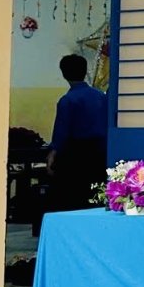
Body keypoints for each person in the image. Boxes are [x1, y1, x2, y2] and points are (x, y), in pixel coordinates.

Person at [47, 54, 108, 213]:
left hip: (75, 154)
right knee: (95, 194)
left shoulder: (67, 100)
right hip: (100, 152)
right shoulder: (101, 97)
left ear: (63, 74)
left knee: (73, 197)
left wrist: (53, 153)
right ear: (85, 71)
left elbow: (62, 131)